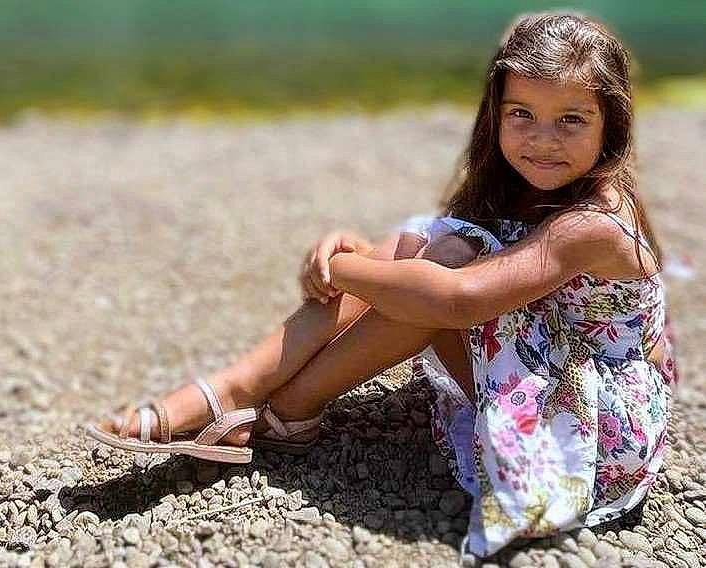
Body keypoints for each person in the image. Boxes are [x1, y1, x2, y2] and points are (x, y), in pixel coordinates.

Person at [87, 11, 678, 558]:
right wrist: (361, 252)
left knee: (436, 284)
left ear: (611, 125)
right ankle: (241, 389)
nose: (542, 139)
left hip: (599, 433)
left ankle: (284, 407)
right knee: (437, 247)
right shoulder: (520, 186)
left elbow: (459, 301)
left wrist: (343, 270)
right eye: (522, 114)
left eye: (571, 120)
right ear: (496, 115)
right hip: (557, 363)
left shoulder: (591, 224)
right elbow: (431, 256)